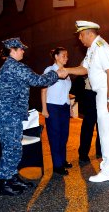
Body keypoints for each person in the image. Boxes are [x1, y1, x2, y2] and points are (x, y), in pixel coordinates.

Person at [0, 37, 68, 196]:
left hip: (8, 114)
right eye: (20, 49)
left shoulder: (7, 67)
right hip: (8, 116)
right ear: (12, 50)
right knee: (11, 149)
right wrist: (56, 74)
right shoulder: (15, 67)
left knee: (14, 148)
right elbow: (38, 80)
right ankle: (4, 184)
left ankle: (12, 178)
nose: (23, 51)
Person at [66, 21, 109, 183]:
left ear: (89, 33)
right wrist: (67, 70)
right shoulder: (92, 49)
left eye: (81, 35)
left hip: (107, 92)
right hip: (107, 91)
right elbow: (84, 69)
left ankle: (108, 171)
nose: (80, 39)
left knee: (105, 133)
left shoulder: (101, 47)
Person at [41, 47, 72, 176]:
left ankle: (62, 160)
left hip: (64, 106)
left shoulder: (66, 72)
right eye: (63, 55)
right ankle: (57, 166)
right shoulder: (50, 70)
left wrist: (69, 106)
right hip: (52, 107)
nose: (66, 58)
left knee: (64, 135)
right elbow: (43, 89)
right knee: (54, 136)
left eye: (67, 56)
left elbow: (66, 91)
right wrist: (44, 108)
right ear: (56, 57)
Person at [71, 75, 101, 163]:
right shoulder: (88, 60)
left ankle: (100, 151)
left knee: (102, 125)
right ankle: (83, 153)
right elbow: (81, 71)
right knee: (88, 126)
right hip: (90, 94)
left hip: (102, 93)